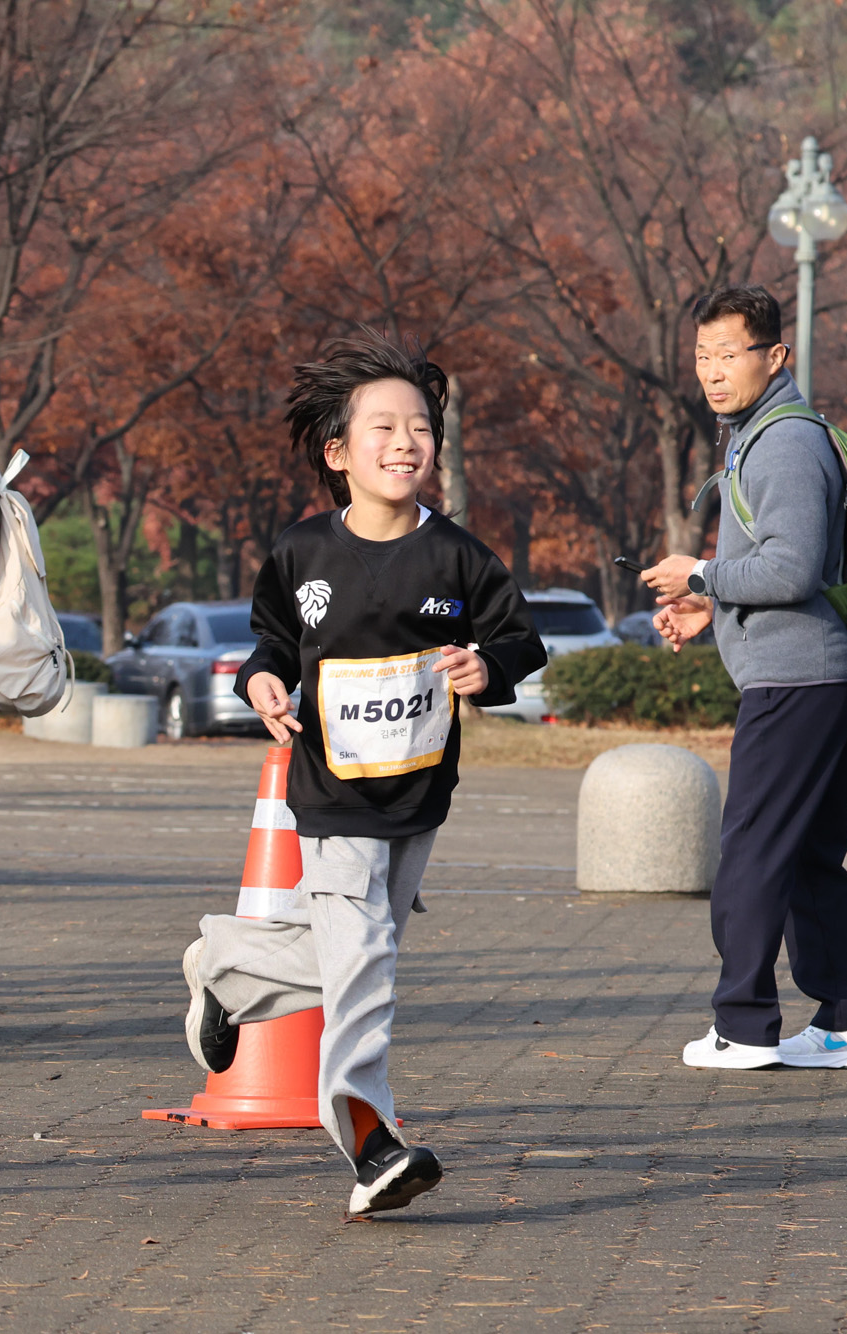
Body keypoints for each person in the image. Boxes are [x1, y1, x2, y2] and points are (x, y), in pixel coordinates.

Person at [180, 332, 546, 1217]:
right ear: (338, 452)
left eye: (419, 427)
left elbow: (519, 639)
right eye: (382, 427)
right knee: (368, 967)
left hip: (418, 797)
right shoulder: (304, 552)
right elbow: (272, 638)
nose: (406, 442)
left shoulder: (459, 556)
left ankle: (225, 969)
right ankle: (370, 1143)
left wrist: (484, 671)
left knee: (352, 959)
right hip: (333, 797)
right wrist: (260, 677)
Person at [641, 284, 847, 1072]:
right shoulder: (756, 434)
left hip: (797, 686)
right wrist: (706, 607)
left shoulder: (783, 440)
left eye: (730, 354)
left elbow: (789, 567)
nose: (713, 372)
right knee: (809, 857)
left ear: (775, 355)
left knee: (751, 853)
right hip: (814, 680)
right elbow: (789, 566)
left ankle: (745, 1025)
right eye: (702, 357)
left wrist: (702, 575)